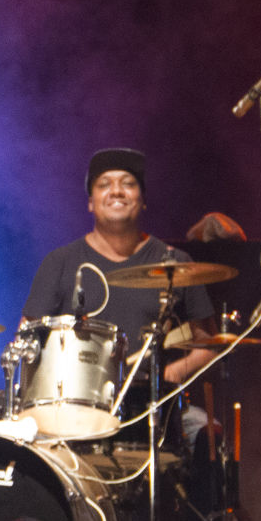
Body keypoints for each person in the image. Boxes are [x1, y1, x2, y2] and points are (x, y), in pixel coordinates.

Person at [20, 147, 219, 399]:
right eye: (104, 184)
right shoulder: (59, 262)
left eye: (128, 184)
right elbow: (26, 342)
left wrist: (173, 373)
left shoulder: (177, 264)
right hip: (74, 403)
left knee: (198, 421)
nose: (116, 191)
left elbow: (210, 345)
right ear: (90, 202)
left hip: (152, 404)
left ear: (143, 199)